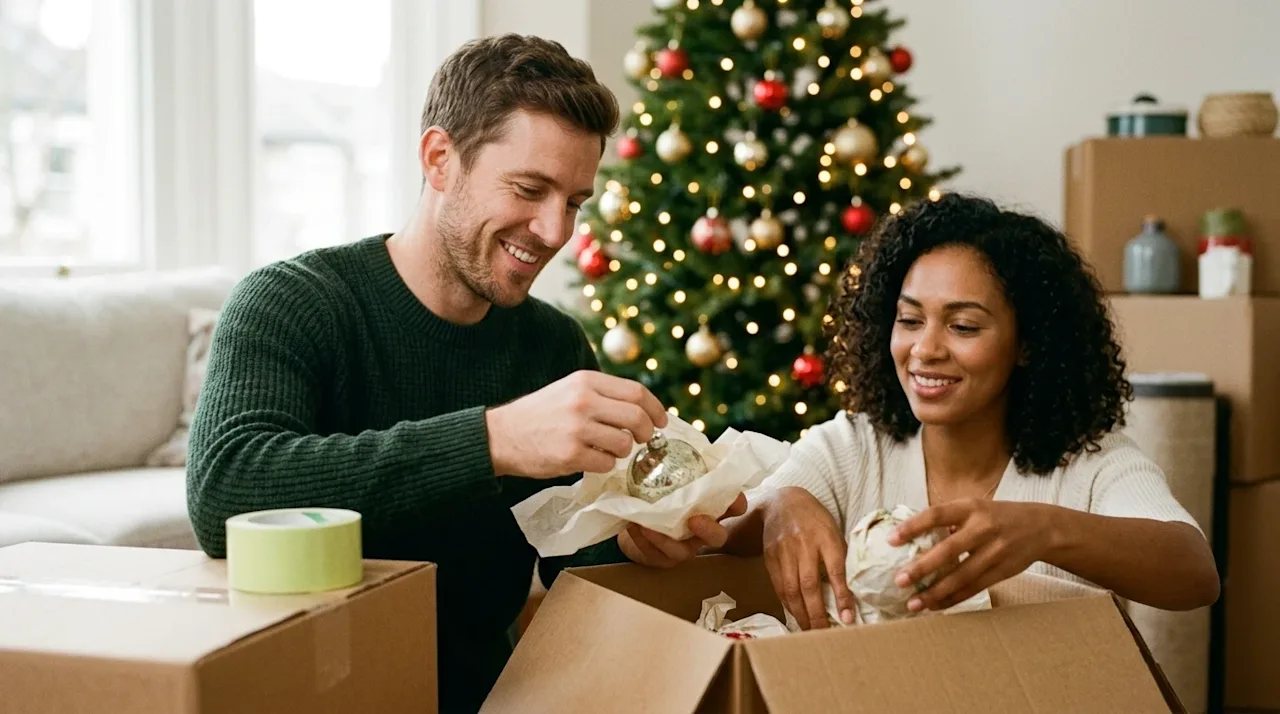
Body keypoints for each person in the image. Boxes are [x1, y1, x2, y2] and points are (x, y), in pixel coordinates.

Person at [186, 34, 742, 713]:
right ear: (440, 159)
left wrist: (636, 537)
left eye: (574, 201)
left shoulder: (553, 346)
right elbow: (226, 492)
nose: (553, 229)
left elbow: (573, 564)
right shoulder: (293, 302)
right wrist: (492, 441)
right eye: (529, 189)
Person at [720, 192, 1220, 630]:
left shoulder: (1089, 463)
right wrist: (781, 503)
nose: (925, 349)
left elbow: (1195, 573)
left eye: (963, 327)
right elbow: (725, 531)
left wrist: (1044, 530)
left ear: (1026, 343)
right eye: (910, 319)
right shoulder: (855, 446)